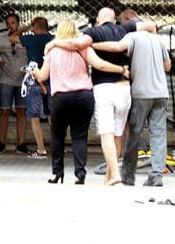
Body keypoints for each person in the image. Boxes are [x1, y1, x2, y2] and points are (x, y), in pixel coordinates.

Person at [33, 19, 128, 184]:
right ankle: (80, 173)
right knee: (79, 136)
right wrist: (121, 69)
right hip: (84, 96)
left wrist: (34, 72)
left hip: (61, 98)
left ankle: (56, 174)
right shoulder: (83, 48)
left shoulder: (52, 50)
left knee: (57, 136)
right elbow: (99, 64)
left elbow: (42, 76)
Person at [92, 18, 171, 186]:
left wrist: (93, 45)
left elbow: (117, 47)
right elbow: (168, 66)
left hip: (141, 93)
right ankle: (156, 175)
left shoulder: (132, 36)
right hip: (161, 93)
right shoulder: (159, 40)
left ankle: (128, 176)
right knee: (158, 134)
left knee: (134, 134)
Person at [10, 16, 54, 158]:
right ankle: (57, 148)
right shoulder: (54, 40)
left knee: (34, 117)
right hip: (52, 81)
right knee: (52, 116)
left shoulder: (30, 39)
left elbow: (12, 37)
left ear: (35, 27)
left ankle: (41, 150)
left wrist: (27, 27)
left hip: (34, 81)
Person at [0, 13, 29, 153]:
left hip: (23, 81)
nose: (10, 25)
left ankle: (21, 144)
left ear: (18, 23)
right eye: (8, 23)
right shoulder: (1, 40)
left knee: (22, 111)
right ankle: (1, 142)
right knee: (4, 111)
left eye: (13, 22)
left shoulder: (26, 40)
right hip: (6, 80)